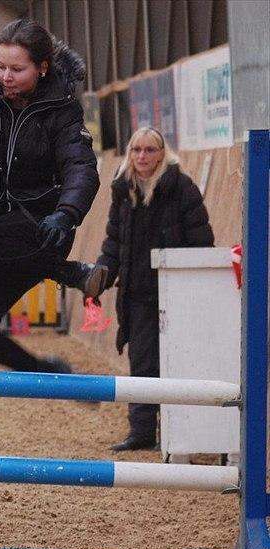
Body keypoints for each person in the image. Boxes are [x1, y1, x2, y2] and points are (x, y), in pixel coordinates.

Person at [0, 18, 107, 374]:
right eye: (1, 66)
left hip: (44, 227)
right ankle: (49, 371)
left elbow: (80, 167)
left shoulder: (64, 108)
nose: (5, 76)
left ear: (42, 67)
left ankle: (60, 267)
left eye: (17, 69)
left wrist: (66, 214)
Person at [95, 126, 215, 451]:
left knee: (181, 363)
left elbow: (201, 240)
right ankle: (143, 432)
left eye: (149, 150)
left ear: (162, 154)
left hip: (176, 294)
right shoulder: (123, 190)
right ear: (130, 154)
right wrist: (98, 279)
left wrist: (195, 290)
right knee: (143, 362)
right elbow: (113, 242)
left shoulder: (182, 189)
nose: (142, 156)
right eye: (137, 150)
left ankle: (183, 433)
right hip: (137, 294)